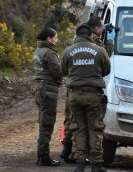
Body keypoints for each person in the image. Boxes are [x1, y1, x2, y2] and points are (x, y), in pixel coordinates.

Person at [60, 16, 113, 164]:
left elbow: (63, 69)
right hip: (90, 90)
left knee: (73, 121)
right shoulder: (96, 45)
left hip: (74, 89)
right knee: (91, 126)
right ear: (94, 30)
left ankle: (70, 151)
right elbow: (105, 62)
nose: (103, 29)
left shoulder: (71, 47)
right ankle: (84, 156)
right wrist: (110, 40)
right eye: (102, 27)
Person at [32, 27, 63, 166]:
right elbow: (58, 72)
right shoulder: (50, 53)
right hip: (49, 90)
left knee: (43, 123)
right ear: (49, 38)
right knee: (47, 124)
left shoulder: (38, 51)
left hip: (39, 88)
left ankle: (41, 155)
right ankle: (44, 157)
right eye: (55, 37)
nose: (56, 40)